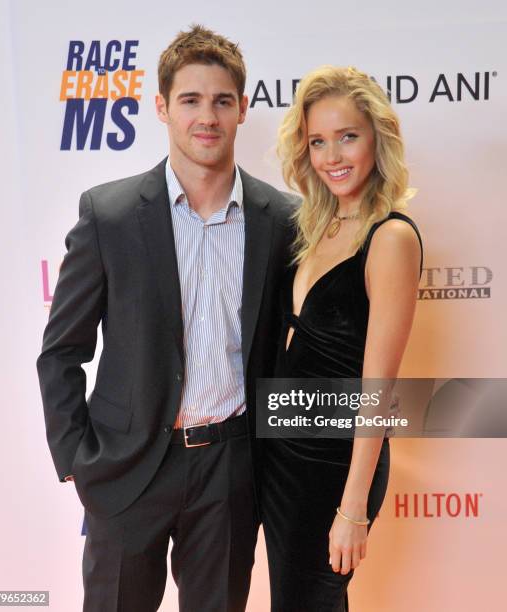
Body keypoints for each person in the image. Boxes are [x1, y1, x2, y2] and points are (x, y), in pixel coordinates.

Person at [37, 25, 294, 612]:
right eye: (191, 100)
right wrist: (78, 457)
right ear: (162, 107)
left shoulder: (280, 219)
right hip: (127, 470)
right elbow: (61, 351)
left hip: (229, 469)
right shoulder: (110, 214)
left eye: (222, 101)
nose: (208, 116)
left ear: (242, 109)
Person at [261, 66, 423, 611]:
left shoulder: (391, 237)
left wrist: (352, 508)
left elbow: (377, 387)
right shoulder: (315, 227)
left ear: (378, 137)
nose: (333, 155)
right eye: (318, 141)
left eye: (348, 136)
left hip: (335, 466)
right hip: (282, 456)